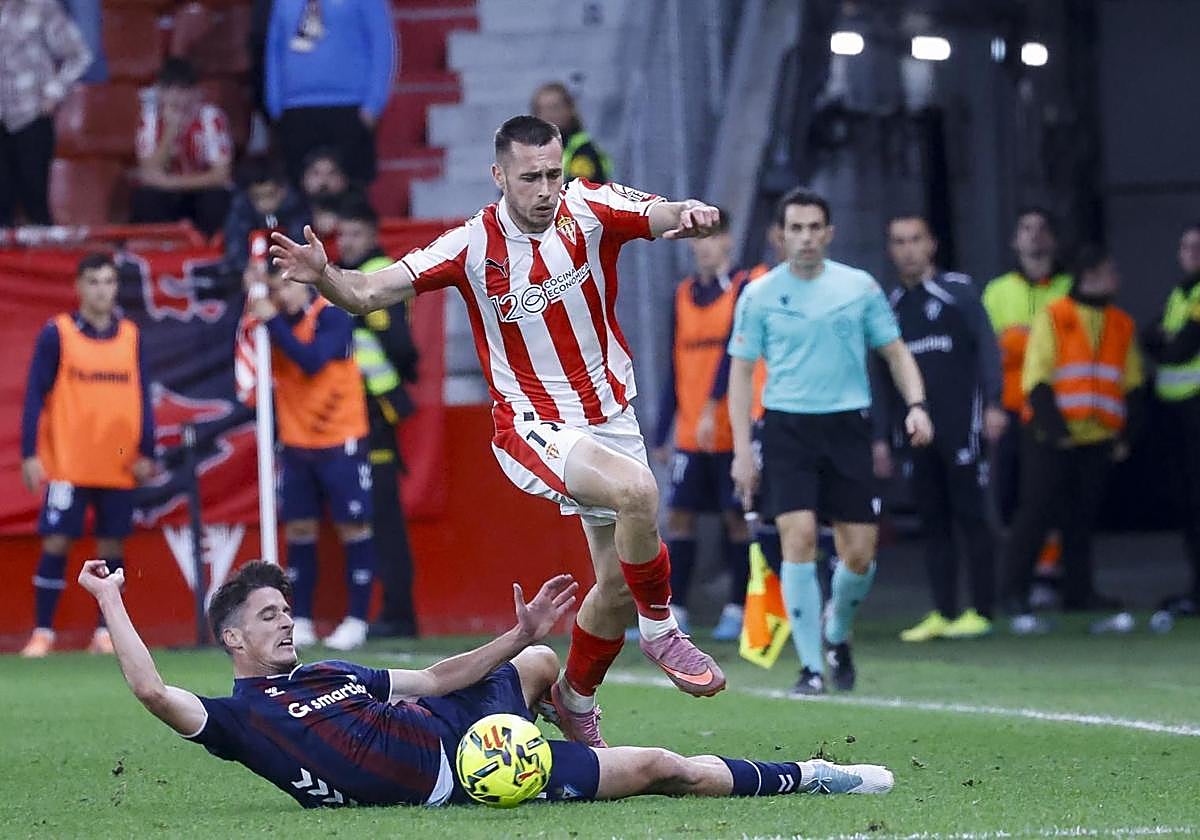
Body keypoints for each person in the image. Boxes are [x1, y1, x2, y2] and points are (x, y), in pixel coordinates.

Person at [270, 115, 728, 749]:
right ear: (498, 176)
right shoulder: (470, 245)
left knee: (616, 587)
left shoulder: (589, 207)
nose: (545, 189)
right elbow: (370, 292)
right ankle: (661, 630)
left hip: (610, 414)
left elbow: (659, 213)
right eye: (530, 178)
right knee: (640, 494)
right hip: (532, 421)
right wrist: (323, 274)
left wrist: (691, 213)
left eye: (552, 174)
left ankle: (574, 699)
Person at [77, 557, 894, 808]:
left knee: (538, 664)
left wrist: (519, 635)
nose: (286, 623)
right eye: (267, 617)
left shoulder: (328, 670)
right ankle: (816, 776)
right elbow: (153, 691)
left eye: (287, 610)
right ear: (231, 640)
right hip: (469, 773)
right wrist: (111, 598)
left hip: (463, 724)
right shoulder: (239, 720)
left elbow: (434, 676)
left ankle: (572, 707)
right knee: (661, 768)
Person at [727, 188, 933, 696]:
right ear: (781, 236)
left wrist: (917, 405)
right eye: (795, 228)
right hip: (786, 428)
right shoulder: (759, 295)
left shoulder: (858, 287)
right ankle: (811, 667)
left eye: (814, 227)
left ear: (829, 233)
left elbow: (896, 352)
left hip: (846, 427)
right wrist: (740, 453)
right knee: (797, 539)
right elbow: (740, 373)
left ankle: (837, 631)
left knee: (859, 553)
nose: (805, 238)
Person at [18, 253, 155, 657]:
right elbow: (33, 396)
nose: (101, 290)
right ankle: (43, 633)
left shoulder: (131, 334)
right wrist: (29, 453)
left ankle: (105, 634)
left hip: (117, 461)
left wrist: (147, 448)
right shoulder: (57, 333)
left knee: (112, 547)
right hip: (68, 462)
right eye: (93, 282)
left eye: (109, 282)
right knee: (57, 541)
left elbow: (143, 394)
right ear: (78, 287)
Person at [1003, 247, 1144, 633]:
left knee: (1080, 519)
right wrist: (1056, 430)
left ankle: (1078, 592)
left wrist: (1124, 435)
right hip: (1051, 435)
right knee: (1035, 514)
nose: (1116, 276)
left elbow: (1131, 383)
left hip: (1097, 436)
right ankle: (1012, 591)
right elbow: (1038, 378)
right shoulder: (1056, 315)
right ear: (1090, 274)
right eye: (1109, 268)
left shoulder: (1120, 323)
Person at [880, 215, 1004, 642]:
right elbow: (881, 375)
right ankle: (944, 611)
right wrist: (882, 435)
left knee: (972, 515)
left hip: (962, 426)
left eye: (915, 239)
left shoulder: (957, 292)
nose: (908, 249)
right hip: (916, 432)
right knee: (932, 520)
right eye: (899, 241)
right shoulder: (892, 305)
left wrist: (994, 403)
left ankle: (984, 609)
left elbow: (987, 346)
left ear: (931, 244)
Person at [243, 267, 378, 651]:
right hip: (297, 441)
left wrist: (271, 321)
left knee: (353, 527)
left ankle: (357, 619)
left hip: (340, 438)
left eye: (287, 285)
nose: (281, 295)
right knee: (300, 529)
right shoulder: (273, 325)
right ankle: (298, 617)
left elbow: (312, 360)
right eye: (275, 286)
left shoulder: (332, 315)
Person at [652, 211, 753, 640]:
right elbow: (674, 366)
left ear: (728, 241)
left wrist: (715, 406)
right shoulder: (681, 296)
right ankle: (676, 610)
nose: (706, 245)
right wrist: (662, 429)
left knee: (736, 519)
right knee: (680, 518)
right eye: (699, 238)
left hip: (732, 430)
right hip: (692, 432)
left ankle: (739, 607)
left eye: (714, 236)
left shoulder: (744, 290)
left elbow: (735, 356)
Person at [336, 194, 421, 639]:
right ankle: (391, 611)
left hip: (377, 409)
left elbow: (402, 346)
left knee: (383, 512)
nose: (345, 241)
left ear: (371, 234)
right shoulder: (355, 274)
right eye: (342, 233)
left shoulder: (375, 275)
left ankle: (398, 614)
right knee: (371, 511)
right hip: (356, 410)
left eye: (353, 233)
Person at [983, 209, 1071, 522]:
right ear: (1014, 240)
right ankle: (1016, 564)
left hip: (1057, 404)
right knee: (1008, 489)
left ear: (1055, 240)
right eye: (1026, 228)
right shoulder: (997, 291)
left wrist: (1018, 341)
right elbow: (985, 353)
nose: (1034, 234)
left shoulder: (1069, 288)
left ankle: (1050, 565)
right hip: (1010, 405)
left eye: (1042, 228)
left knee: (1056, 489)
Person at [265, 0, 393, 188]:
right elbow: (274, 49)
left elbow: (382, 45)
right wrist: (275, 105)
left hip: (349, 107)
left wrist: (373, 105)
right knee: (298, 198)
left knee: (350, 196)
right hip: (295, 110)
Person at [1143, 223, 1200, 617]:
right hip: (1178, 414)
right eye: (1186, 246)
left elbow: (1177, 348)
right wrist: (1161, 341)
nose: (1192, 252)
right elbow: (1148, 337)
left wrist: (1164, 341)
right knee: (1189, 505)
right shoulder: (1180, 294)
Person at [0, 0, 91, 225]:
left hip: (30, 115)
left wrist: (54, 92)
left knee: (34, 199)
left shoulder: (40, 7)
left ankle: (46, 257)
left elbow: (79, 54)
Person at [132, 57, 234, 236]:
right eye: (171, 90)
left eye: (184, 90)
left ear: (196, 92)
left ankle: (209, 250)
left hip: (199, 191)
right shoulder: (150, 120)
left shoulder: (211, 117)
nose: (178, 97)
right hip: (166, 194)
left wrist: (171, 183)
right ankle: (161, 247)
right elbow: (149, 171)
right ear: (161, 92)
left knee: (217, 198)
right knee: (146, 198)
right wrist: (170, 132)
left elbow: (221, 174)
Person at [223, 156, 311, 274]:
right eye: (257, 197)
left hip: (292, 275)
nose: (265, 204)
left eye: (270, 195)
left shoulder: (297, 207)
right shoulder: (241, 209)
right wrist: (247, 269)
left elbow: (302, 248)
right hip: (253, 276)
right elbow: (235, 252)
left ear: (283, 190)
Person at [531, 82, 612, 184]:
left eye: (554, 108)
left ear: (570, 109)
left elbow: (578, 190)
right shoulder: (530, 150)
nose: (548, 115)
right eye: (541, 110)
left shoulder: (583, 150)